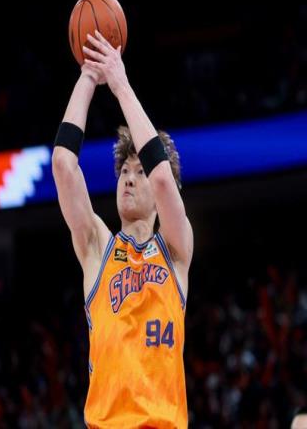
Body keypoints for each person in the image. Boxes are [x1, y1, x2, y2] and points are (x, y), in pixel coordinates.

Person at [52, 30, 193, 428]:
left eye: (139, 172)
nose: (129, 178)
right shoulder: (97, 248)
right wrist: (89, 75)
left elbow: (162, 177)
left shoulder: (176, 248)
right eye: (124, 172)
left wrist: (120, 83)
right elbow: (63, 165)